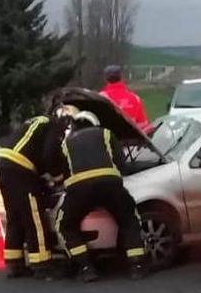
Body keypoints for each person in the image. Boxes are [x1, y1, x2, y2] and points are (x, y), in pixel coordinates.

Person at [55, 109, 148, 282]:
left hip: (79, 189)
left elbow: (64, 172)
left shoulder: (66, 143)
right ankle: (137, 266)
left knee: (64, 225)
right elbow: (121, 163)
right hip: (110, 185)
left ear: (75, 125)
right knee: (129, 219)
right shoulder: (106, 133)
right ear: (95, 123)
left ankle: (86, 267)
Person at [0, 106, 74, 279]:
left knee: (15, 215)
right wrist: (59, 177)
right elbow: (50, 154)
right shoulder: (55, 125)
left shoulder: (38, 121)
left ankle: (14, 264)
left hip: (3, 163)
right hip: (19, 167)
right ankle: (42, 264)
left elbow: (36, 152)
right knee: (34, 217)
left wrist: (42, 180)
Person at [100, 65, 150, 131]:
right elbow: (144, 125)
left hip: (108, 139)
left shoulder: (100, 98)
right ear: (121, 77)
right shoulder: (135, 98)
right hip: (130, 139)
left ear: (106, 79)